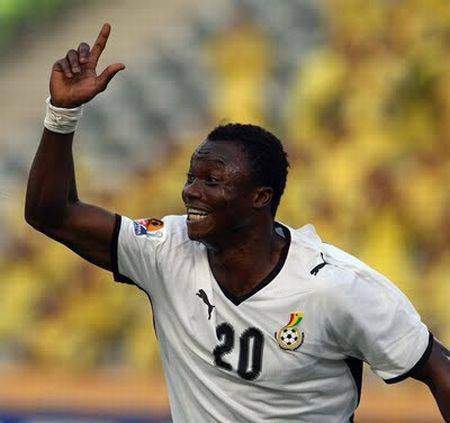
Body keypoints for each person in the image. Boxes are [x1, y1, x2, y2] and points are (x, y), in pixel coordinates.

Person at [25, 23, 449, 422]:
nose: (191, 192)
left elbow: (438, 367)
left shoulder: (335, 287)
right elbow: (52, 214)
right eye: (191, 178)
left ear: (260, 197)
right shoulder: (166, 249)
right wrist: (62, 114)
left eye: (212, 181)